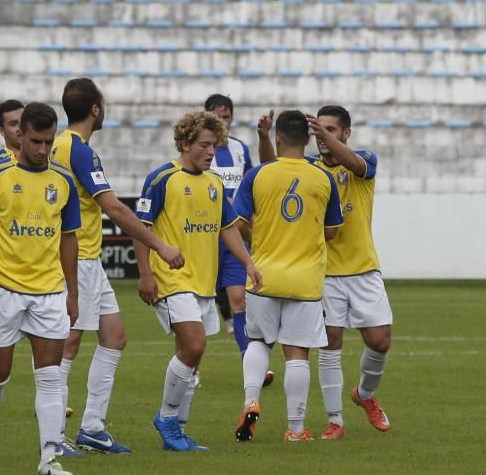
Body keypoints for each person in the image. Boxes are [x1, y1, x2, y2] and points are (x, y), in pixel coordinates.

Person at [52, 78, 185, 454]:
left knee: (114, 337)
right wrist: (158, 244)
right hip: (80, 260)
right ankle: (53, 435)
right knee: (70, 344)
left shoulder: (61, 145)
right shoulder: (78, 150)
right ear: (95, 109)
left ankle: (92, 427)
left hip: (88, 259)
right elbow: (113, 207)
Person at [258, 105, 392, 439]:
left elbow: (355, 164)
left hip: (363, 269)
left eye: (331, 130)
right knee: (330, 344)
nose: (322, 137)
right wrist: (264, 137)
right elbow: (271, 168)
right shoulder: (310, 168)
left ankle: (364, 394)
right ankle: (336, 420)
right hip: (324, 272)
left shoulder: (363, 160)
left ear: (346, 133)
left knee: (380, 342)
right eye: (319, 131)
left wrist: (328, 142)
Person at [0, 102, 81, 475]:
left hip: (48, 292)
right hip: (3, 290)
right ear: (19, 136)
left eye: (48, 142)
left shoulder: (62, 181)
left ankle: (49, 456)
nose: (42, 150)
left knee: (49, 376)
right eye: (35, 141)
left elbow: (68, 239)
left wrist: (72, 292)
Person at [134, 111, 261, 451]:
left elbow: (228, 228)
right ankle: (166, 418)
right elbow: (140, 228)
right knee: (194, 346)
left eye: (215, 146)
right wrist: (145, 274)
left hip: (204, 282)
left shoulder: (215, 184)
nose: (211, 152)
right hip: (172, 280)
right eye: (205, 145)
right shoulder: (162, 179)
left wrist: (248, 263)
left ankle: (178, 430)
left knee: (191, 357)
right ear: (184, 143)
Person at [232, 109, 343, 443]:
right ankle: (295, 429)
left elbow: (237, 222)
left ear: (277, 138)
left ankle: (251, 401)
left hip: (263, 276)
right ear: (308, 138)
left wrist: (259, 238)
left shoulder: (258, 175)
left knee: (258, 343)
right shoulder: (322, 178)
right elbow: (334, 232)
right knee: (297, 354)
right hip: (305, 281)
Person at [204, 93, 275, 387]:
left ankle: (251, 365)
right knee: (198, 305)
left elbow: (250, 186)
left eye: (227, 116)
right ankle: (188, 367)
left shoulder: (240, 150)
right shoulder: (199, 151)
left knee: (238, 299)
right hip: (203, 237)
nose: (223, 121)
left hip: (231, 234)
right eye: (217, 115)